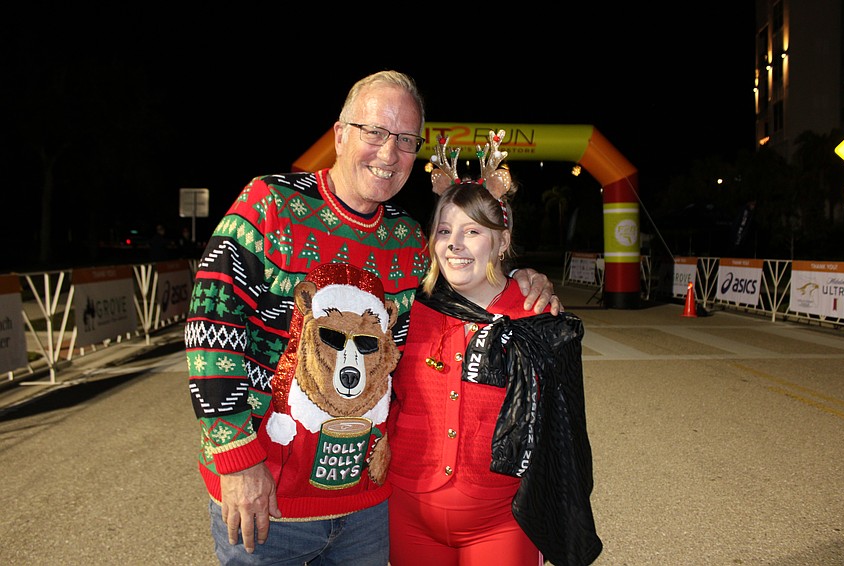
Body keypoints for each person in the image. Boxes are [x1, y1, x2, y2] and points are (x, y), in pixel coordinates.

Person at [184, 71, 562, 565]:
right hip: (268, 504)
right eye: (375, 133)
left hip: (367, 511)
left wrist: (524, 280)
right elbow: (210, 332)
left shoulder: (408, 242)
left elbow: (472, 288)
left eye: (406, 140)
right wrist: (236, 461)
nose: (389, 154)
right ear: (340, 134)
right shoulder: (270, 204)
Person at [387, 131, 602, 565]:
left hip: (503, 522)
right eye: (444, 230)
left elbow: (564, 438)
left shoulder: (540, 321)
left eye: (472, 231)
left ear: (502, 242)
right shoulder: (408, 310)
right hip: (407, 513)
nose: (454, 243)